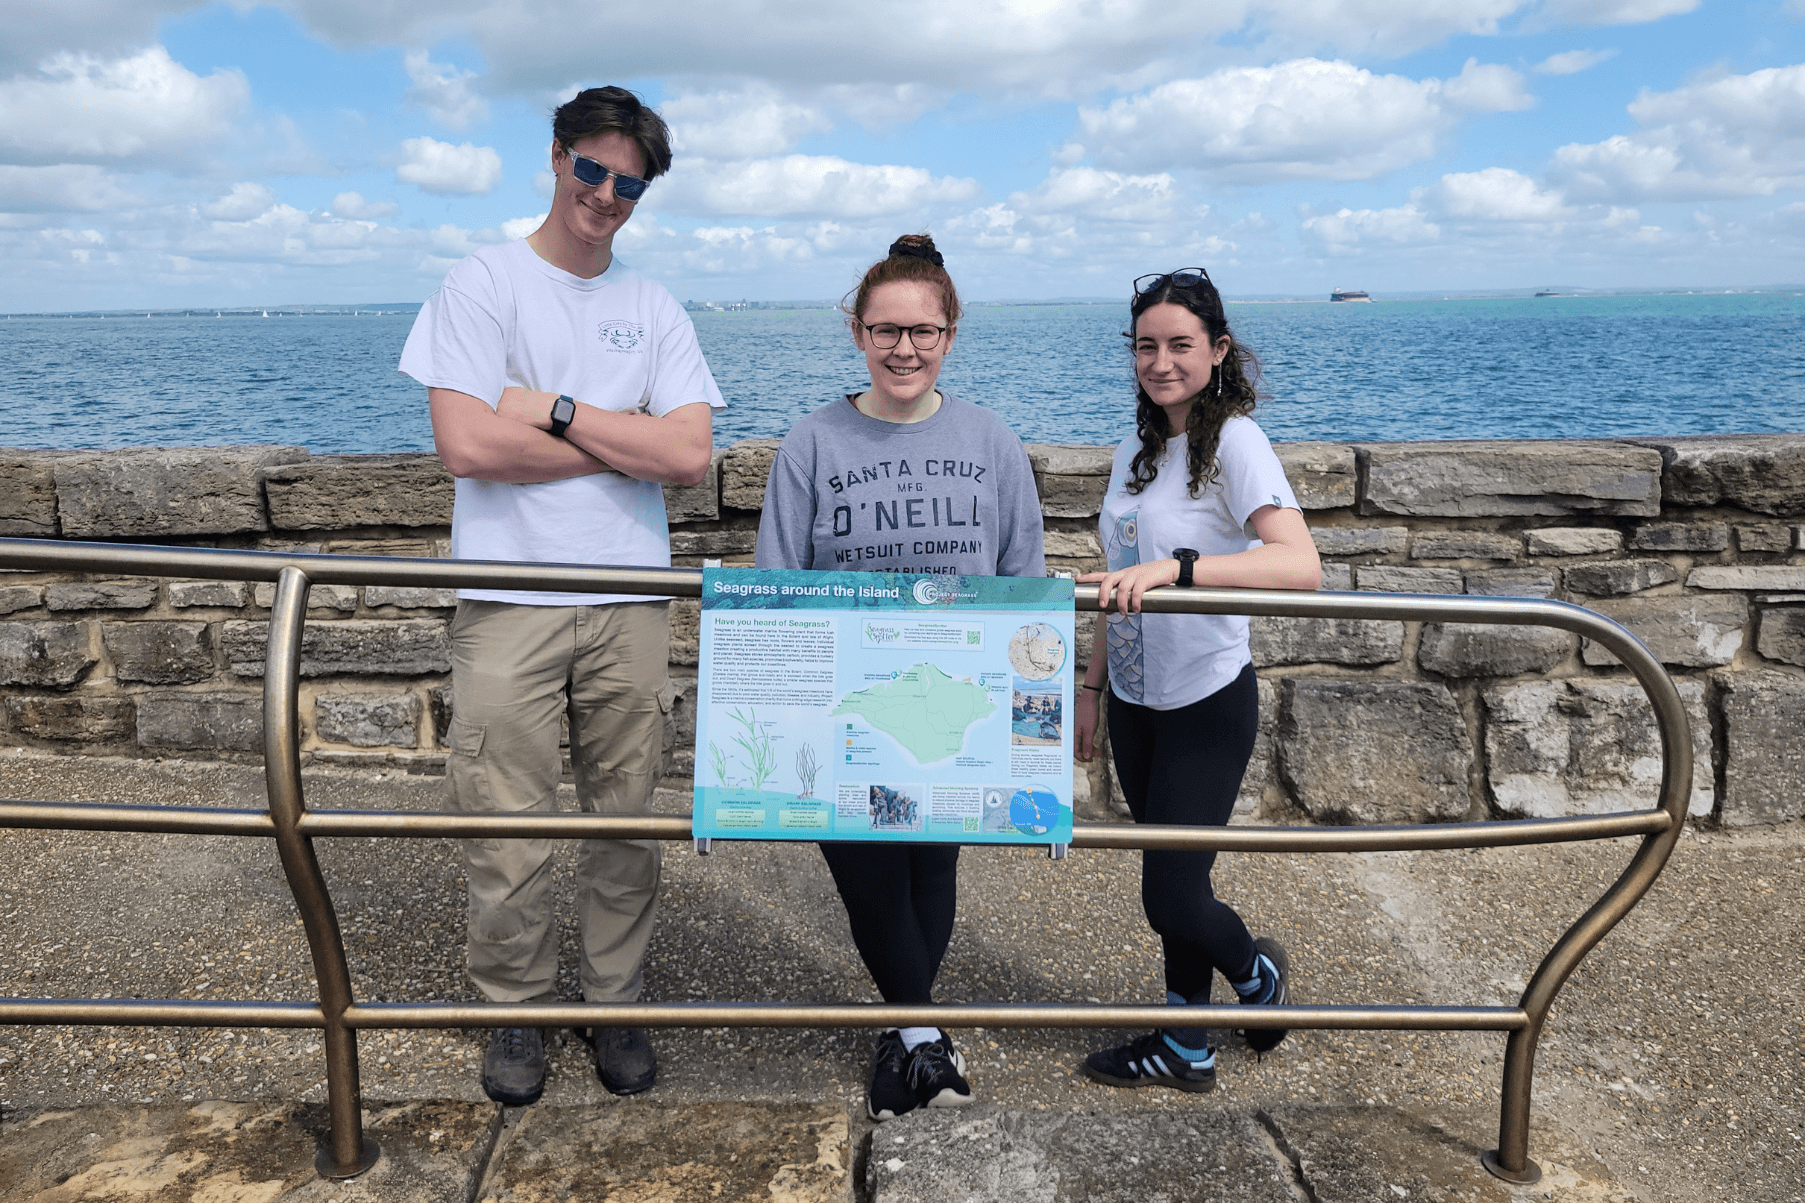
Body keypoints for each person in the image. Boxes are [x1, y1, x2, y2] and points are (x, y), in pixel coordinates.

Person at [398, 86, 724, 1107]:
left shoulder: (653, 306)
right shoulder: (482, 282)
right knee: (505, 823)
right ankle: (517, 1009)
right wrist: (621, 443)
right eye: (592, 169)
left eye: (629, 182)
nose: (606, 194)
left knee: (626, 820)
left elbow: (687, 456)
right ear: (555, 158)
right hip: (507, 597)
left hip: (627, 600)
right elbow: (465, 445)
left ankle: (615, 1002)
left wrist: (554, 411)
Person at [755, 234, 1046, 1120]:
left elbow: (1024, 580)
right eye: (885, 330)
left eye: (923, 331)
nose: (904, 348)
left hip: (955, 707)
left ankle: (908, 1036)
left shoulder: (990, 440)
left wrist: (1031, 722)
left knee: (929, 866)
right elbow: (777, 580)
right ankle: (924, 1034)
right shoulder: (811, 442)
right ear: (857, 331)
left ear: (949, 334)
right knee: (869, 869)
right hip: (847, 705)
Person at [1073, 267, 1319, 1093]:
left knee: (1171, 896)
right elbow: (1116, 580)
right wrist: (1091, 689)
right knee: (1175, 882)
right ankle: (1186, 1042)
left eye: (1179, 344)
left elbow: (1298, 563)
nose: (1160, 361)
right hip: (1134, 701)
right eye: (1145, 345)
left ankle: (1256, 976)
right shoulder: (1135, 451)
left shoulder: (1236, 443)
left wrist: (1178, 569)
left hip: (1203, 699)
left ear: (1217, 350)